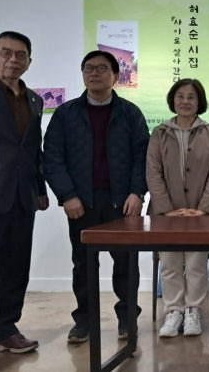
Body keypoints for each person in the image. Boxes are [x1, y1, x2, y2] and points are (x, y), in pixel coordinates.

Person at [44, 50, 150, 344]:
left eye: (102, 68)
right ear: (83, 74)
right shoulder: (66, 114)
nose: (94, 73)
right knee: (83, 265)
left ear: (115, 76)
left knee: (126, 264)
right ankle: (84, 321)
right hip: (81, 203)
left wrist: (137, 192)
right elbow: (52, 157)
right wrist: (67, 196)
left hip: (121, 203)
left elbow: (143, 156)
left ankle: (127, 319)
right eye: (88, 68)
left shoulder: (130, 113)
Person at [0, 31, 49, 364]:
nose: (13, 60)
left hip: (22, 198)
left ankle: (4, 330)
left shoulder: (34, 100)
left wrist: (40, 189)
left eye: (20, 55)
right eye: (6, 52)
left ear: (29, 62)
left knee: (14, 268)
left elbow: (33, 149)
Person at [146, 78, 209, 338]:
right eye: (180, 96)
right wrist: (166, 208)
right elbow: (153, 172)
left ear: (199, 101)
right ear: (173, 100)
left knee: (196, 263)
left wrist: (204, 208)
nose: (186, 101)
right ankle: (173, 311)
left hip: (200, 213)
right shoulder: (160, 133)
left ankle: (193, 311)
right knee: (169, 263)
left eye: (191, 97)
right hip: (166, 214)